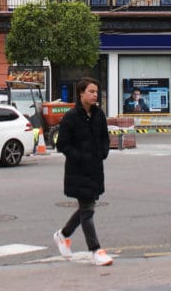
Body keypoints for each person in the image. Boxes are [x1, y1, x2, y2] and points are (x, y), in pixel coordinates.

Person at [53, 77, 113, 267]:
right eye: (91, 91)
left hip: (95, 168)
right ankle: (95, 250)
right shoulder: (71, 116)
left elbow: (105, 137)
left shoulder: (99, 115)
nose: (95, 95)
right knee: (87, 209)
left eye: (96, 91)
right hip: (77, 170)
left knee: (87, 208)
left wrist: (103, 152)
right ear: (81, 93)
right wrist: (78, 156)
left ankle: (62, 235)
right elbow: (62, 144)